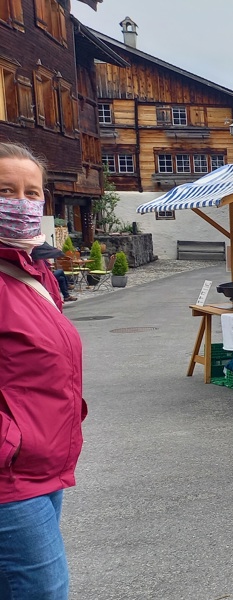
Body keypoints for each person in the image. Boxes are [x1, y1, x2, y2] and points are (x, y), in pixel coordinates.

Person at [0, 142, 87, 599]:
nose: (21, 202)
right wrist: (10, 442)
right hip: (10, 473)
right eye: (5, 189)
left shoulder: (34, 269)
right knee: (43, 591)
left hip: (41, 463)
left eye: (31, 193)